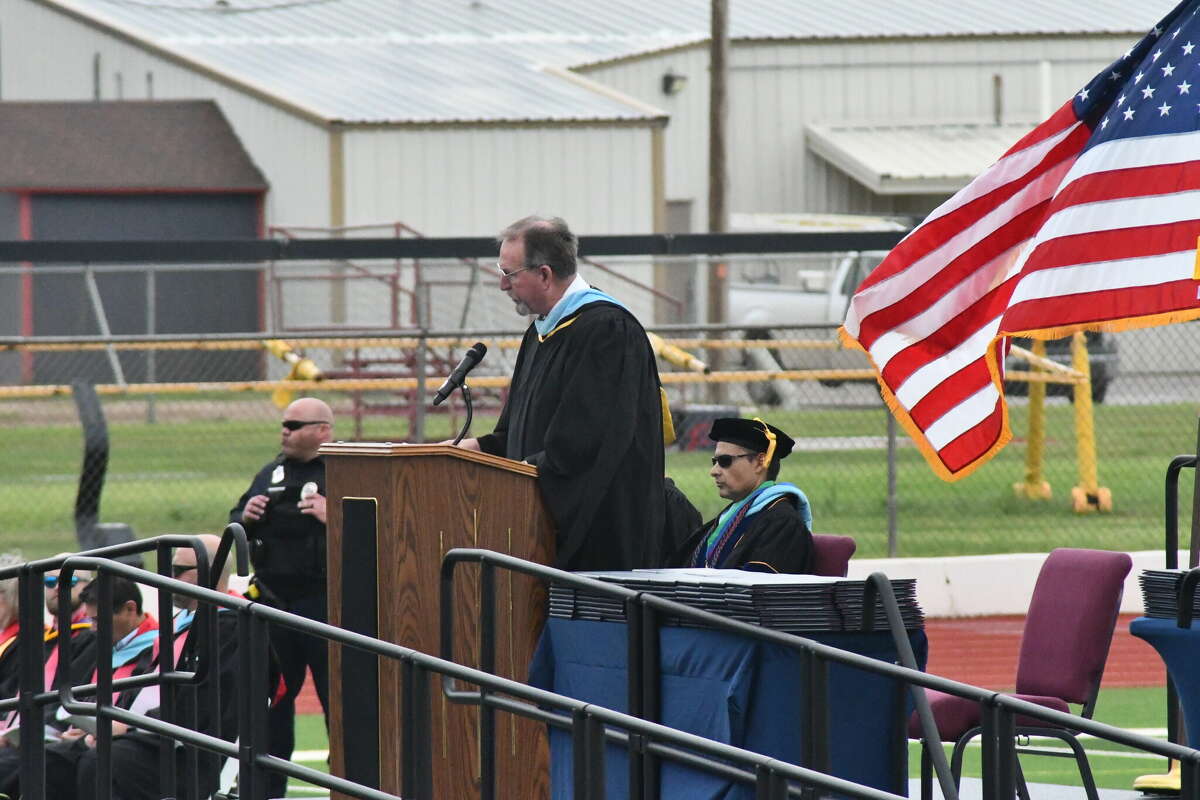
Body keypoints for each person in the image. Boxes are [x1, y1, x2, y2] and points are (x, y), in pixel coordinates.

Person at [455, 215, 666, 570]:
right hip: (540, 523)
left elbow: (580, 446)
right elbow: (520, 435)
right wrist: (472, 449)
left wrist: (514, 481)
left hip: (597, 532)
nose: (503, 285)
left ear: (544, 274)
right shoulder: (539, 334)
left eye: (509, 274)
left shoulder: (607, 332)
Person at [230, 397, 332, 799]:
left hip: (325, 603)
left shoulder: (341, 471)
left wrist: (334, 513)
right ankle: (265, 789)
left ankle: (351, 783)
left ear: (322, 430)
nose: (284, 431)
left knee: (338, 699)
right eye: (284, 424)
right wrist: (246, 514)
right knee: (270, 701)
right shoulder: (271, 472)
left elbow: (377, 524)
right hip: (273, 601)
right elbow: (234, 520)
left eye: (295, 424)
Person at [671, 418, 815, 574]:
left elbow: (758, 592)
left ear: (760, 462)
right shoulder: (731, 517)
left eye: (725, 461)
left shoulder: (783, 524)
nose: (713, 471)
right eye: (715, 461)